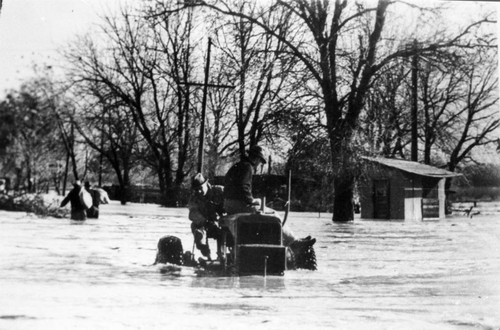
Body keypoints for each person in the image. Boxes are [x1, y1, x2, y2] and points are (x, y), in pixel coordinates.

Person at [187, 173, 225, 261]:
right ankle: (207, 256)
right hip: (204, 223)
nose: (199, 192)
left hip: (222, 222)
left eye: (200, 188)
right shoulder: (194, 198)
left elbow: (229, 204)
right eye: (196, 190)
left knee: (224, 229)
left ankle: (221, 255)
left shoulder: (220, 191)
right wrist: (204, 221)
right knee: (196, 230)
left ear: (206, 184)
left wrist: (222, 217)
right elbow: (192, 213)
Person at [224, 145, 267, 214]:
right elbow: (243, 186)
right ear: (257, 159)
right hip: (236, 205)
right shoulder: (247, 167)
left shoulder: (238, 165)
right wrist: (251, 200)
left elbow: (226, 180)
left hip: (227, 203)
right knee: (260, 211)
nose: (259, 163)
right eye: (260, 161)